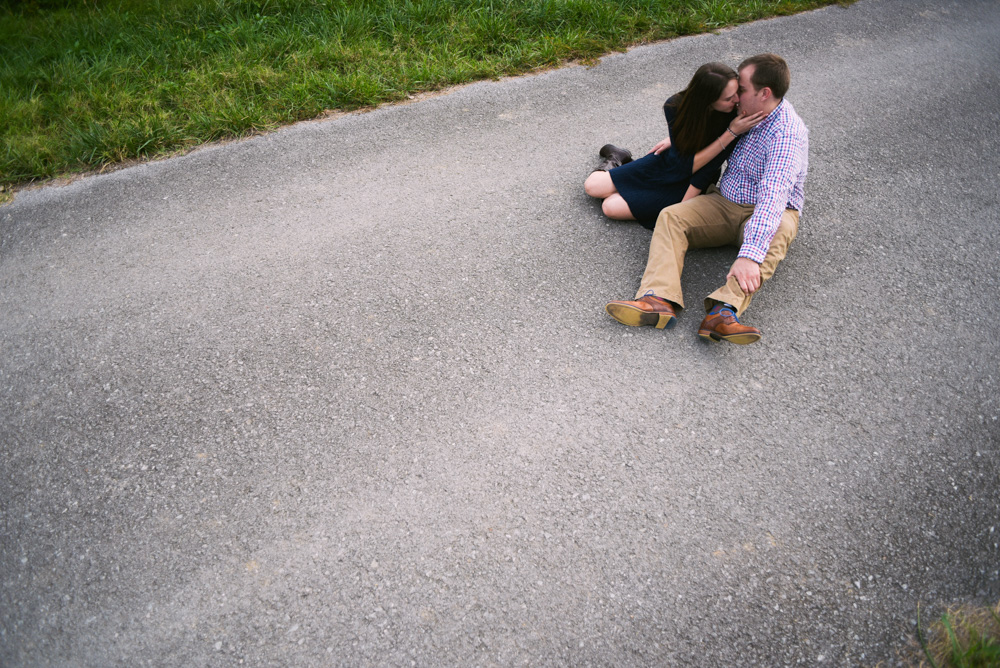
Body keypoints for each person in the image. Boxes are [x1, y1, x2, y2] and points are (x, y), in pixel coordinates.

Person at [604, 53, 809, 345]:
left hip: (768, 211)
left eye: (742, 89)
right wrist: (675, 144)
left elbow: (773, 198)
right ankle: (658, 301)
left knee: (778, 234)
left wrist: (750, 257)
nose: (736, 95)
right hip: (724, 202)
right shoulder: (743, 112)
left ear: (764, 93)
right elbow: (704, 128)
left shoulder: (786, 135)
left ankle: (723, 313)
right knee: (671, 215)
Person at [584, 62, 765, 229]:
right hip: (670, 163)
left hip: (691, 181)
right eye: (728, 98)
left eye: (737, 93)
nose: (736, 101)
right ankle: (617, 157)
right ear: (707, 100)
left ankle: (632, 186)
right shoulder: (675, 106)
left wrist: (681, 210)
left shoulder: (734, 119)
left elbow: (705, 170)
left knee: (610, 207)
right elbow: (681, 162)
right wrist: (675, 138)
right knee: (592, 187)